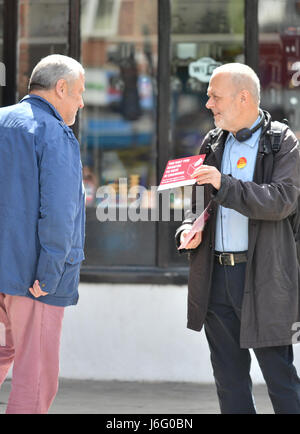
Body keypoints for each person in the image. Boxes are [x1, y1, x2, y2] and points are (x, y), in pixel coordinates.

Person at [175, 63, 300, 414]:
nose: (208, 103)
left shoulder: (282, 142)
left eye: (215, 96)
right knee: (229, 383)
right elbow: (198, 206)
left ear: (242, 97)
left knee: (281, 379)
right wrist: (188, 229)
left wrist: (223, 184)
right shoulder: (213, 141)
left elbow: (281, 201)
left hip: (263, 278)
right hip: (216, 278)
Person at [0, 54, 85, 414]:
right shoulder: (54, 133)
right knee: (35, 377)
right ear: (60, 88)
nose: (81, 102)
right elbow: (60, 213)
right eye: (78, 92)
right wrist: (50, 274)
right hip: (33, 279)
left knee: (6, 351)